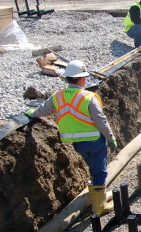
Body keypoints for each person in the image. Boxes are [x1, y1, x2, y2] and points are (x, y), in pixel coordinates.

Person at [25, 60, 118, 215]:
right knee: (100, 171)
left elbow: (44, 109)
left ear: (68, 78)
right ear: (81, 79)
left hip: (77, 144)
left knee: (93, 168)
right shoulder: (88, 97)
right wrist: (110, 138)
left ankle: (97, 192)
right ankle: (99, 206)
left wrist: (32, 114)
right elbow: (100, 120)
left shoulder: (58, 96)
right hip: (94, 140)